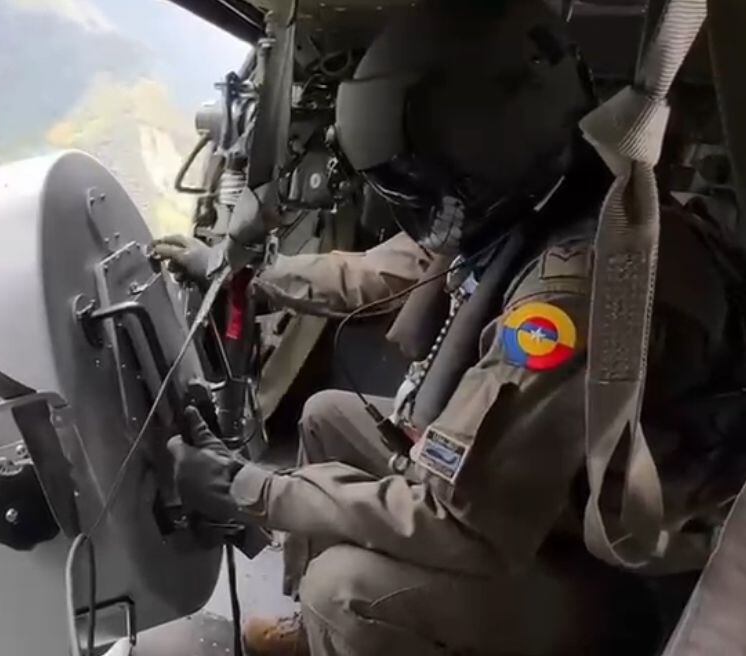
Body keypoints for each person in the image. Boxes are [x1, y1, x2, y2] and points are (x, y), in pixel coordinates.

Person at [153, 1, 746, 654]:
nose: (417, 210)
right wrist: (245, 272)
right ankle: (312, 637)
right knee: (327, 415)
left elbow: (457, 521)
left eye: (417, 182)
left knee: (346, 590)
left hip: (626, 571)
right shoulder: (551, 196)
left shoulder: (574, 289)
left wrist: (247, 489)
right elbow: (374, 274)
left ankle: (343, 625)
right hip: (556, 504)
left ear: (476, 152)